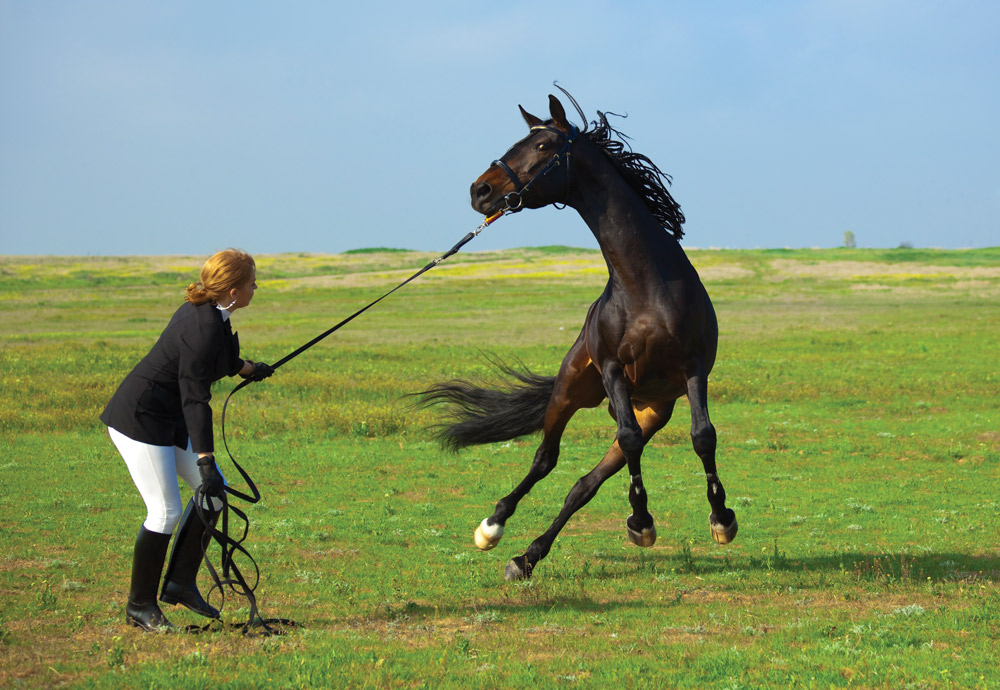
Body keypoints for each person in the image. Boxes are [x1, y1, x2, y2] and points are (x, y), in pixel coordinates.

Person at [100, 249, 275, 631]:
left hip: (168, 421)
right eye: (251, 283)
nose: (256, 287)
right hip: (140, 420)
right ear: (232, 290)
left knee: (213, 495)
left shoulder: (214, 314)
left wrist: (251, 369)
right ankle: (139, 606)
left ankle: (179, 583)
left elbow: (220, 361)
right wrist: (205, 460)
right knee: (166, 512)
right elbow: (195, 396)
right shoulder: (202, 326)